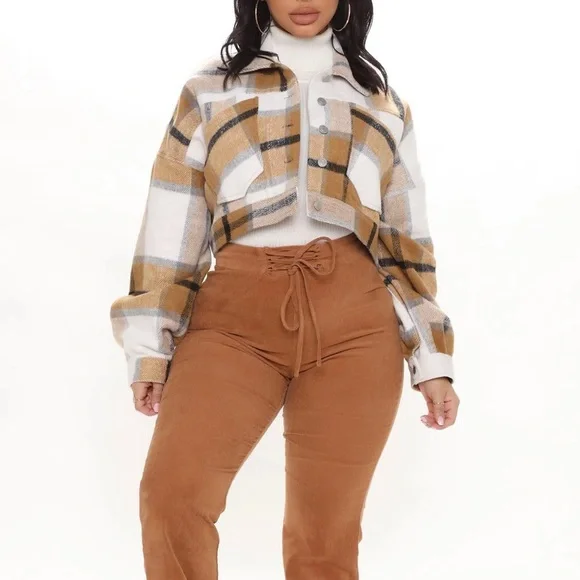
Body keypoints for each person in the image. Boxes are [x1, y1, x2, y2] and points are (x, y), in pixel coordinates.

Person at [109, 0, 461, 577]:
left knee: (325, 539)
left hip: (357, 325)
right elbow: (174, 219)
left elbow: (405, 242)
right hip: (233, 321)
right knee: (171, 496)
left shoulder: (383, 102)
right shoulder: (209, 90)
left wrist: (432, 359)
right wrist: (150, 347)